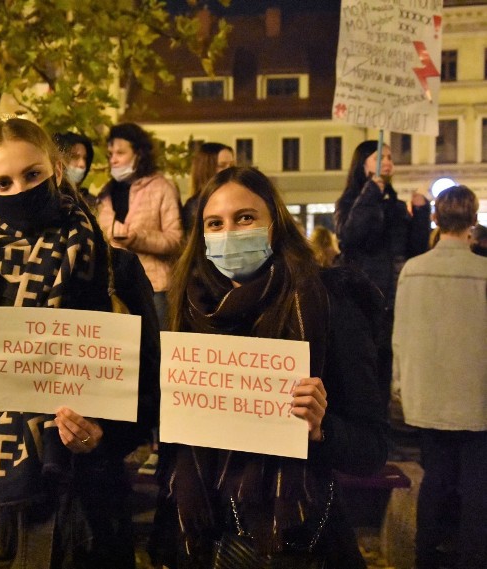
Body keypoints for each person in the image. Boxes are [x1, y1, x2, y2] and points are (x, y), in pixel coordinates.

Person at [0, 117, 160, 568]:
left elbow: (148, 394)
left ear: (57, 172)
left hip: (86, 507)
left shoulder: (112, 270)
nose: (19, 190)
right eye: (2, 182)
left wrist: (103, 435)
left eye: (32, 175)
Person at [150, 166, 388, 568]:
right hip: (205, 539)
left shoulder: (329, 301)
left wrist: (321, 429)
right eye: (214, 223)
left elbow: (372, 448)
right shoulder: (189, 310)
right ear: (201, 235)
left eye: (245, 218)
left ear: (275, 224)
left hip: (295, 542)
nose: (230, 233)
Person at [391, 185, 487, 569]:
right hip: (477, 394)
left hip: (429, 394)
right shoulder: (483, 271)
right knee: (477, 485)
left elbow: (402, 333)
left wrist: (401, 385)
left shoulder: (414, 270)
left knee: (435, 479)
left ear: (435, 218)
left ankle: (426, 556)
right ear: (473, 220)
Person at [334, 140, 430, 412]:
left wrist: (421, 212)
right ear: (363, 163)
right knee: (361, 366)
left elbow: (415, 248)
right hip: (361, 298)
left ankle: (381, 428)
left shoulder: (395, 206)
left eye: (390, 156)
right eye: (380, 157)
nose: (387, 162)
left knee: (384, 366)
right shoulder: (352, 201)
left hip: (392, 300)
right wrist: (371, 192)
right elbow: (350, 236)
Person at [96, 122, 183, 330]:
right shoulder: (106, 192)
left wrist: (136, 238)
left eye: (120, 153)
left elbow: (175, 240)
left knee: (156, 350)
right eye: (110, 154)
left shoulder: (162, 187)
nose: (113, 159)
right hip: (116, 288)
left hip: (154, 288)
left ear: (139, 153)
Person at [181, 142, 235, 232]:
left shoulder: (237, 197)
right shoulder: (195, 207)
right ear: (206, 169)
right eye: (222, 165)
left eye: (232, 165)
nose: (230, 170)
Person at [53, 131, 96, 208]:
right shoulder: (47, 200)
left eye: (85, 158)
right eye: (74, 157)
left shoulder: (91, 203)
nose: (82, 164)